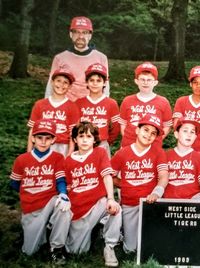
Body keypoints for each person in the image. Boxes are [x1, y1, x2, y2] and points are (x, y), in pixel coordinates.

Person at [10, 119, 71, 264]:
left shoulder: (57, 157)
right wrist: (30, 191)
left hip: (50, 201)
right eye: (39, 137)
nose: (43, 142)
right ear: (33, 138)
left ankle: (57, 248)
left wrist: (63, 194)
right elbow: (14, 183)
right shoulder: (22, 159)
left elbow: (60, 180)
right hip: (31, 207)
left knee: (64, 208)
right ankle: (45, 229)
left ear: (53, 140)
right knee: (30, 252)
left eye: (47, 138)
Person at [64, 122, 121, 267]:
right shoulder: (68, 160)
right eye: (81, 136)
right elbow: (68, 187)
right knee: (76, 252)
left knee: (116, 209)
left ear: (94, 139)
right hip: (78, 209)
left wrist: (110, 198)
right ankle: (93, 230)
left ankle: (109, 246)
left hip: (97, 204)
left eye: (88, 136)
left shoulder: (100, 153)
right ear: (75, 140)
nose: (84, 140)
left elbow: (107, 176)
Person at [111, 114, 169, 253]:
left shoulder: (158, 152)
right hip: (130, 203)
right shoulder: (122, 153)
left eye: (153, 133)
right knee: (130, 249)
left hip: (150, 203)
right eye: (146, 130)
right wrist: (125, 184)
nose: (149, 135)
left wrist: (156, 192)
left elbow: (163, 177)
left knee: (151, 246)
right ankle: (121, 230)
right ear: (137, 130)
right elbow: (109, 176)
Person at [45, 16, 110, 101]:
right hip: (66, 103)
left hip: (90, 105)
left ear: (90, 35)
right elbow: (51, 84)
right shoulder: (60, 58)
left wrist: (105, 103)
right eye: (76, 32)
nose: (80, 36)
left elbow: (106, 85)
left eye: (85, 32)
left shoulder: (101, 58)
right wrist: (47, 104)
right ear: (71, 34)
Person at [28, 68, 79, 157]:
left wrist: (69, 155)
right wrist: (29, 152)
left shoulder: (72, 107)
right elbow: (32, 130)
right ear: (52, 82)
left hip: (62, 147)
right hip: (41, 145)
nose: (61, 84)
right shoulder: (40, 104)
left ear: (70, 86)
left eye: (65, 82)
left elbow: (73, 135)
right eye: (58, 81)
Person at [119, 62, 172, 148]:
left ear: (155, 82)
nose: (145, 83)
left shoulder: (163, 102)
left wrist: (155, 139)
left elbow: (167, 126)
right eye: (142, 79)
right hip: (129, 146)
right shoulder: (127, 100)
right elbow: (123, 125)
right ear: (136, 81)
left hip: (152, 147)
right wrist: (130, 140)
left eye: (149, 80)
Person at [76, 63, 120, 158]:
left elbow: (115, 128)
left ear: (104, 83)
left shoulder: (111, 103)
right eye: (91, 80)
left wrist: (107, 141)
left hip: (102, 144)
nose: (95, 83)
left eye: (98, 80)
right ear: (87, 82)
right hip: (82, 144)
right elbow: (75, 127)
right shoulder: (79, 103)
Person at [164, 118, 200, 202]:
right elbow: (161, 180)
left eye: (192, 132)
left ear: (195, 137)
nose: (189, 135)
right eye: (185, 131)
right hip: (170, 201)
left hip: (193, 200)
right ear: (176, 134)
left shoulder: (199, 157)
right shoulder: (166, 156)